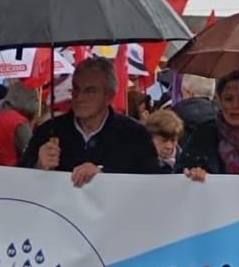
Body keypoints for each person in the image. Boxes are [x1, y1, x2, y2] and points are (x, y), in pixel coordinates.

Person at [22, 57, 161, 183]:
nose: (79, 98)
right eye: (76, 89)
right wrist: (38, 166)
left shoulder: (135, 135)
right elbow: (20, 182)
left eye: (90, 91)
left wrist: (104, 175)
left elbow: (152, 182)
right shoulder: (48, 132)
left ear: (109, 96)